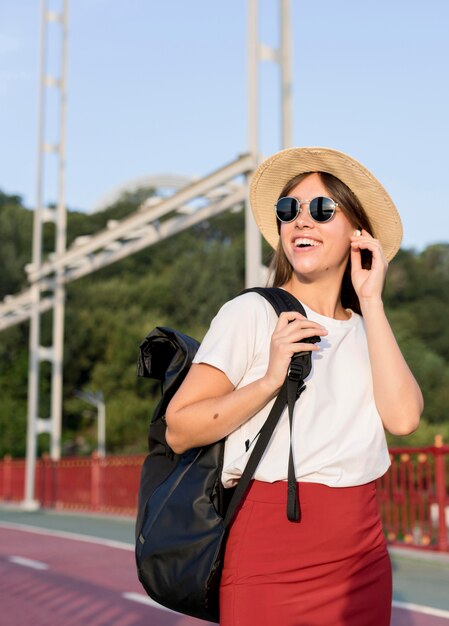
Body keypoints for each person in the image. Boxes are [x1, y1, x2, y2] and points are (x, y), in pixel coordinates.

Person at [165, 146, 423, 626]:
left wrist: (372, 302)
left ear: (357, 233)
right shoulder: (252, 313)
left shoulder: (368, 330)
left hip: (361, 555)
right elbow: (179, 428)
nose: (301, 221)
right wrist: (269, 380)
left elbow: (404, 419)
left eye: (322, 209)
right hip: (270, 550)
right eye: (290, 210)